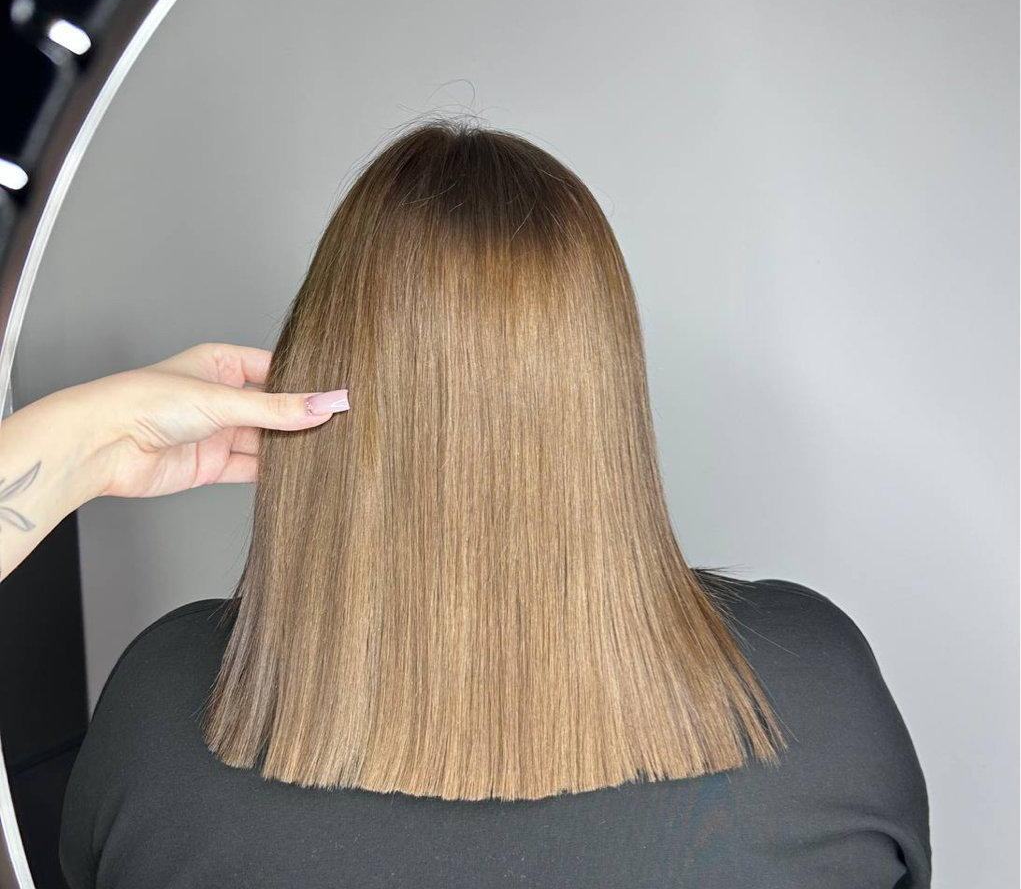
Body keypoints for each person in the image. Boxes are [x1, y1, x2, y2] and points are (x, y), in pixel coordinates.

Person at [2, 119, 930, 887]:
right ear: (604, 393)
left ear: (318, 367)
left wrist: (84, 446)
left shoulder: (164, 718)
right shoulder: (816, 697)